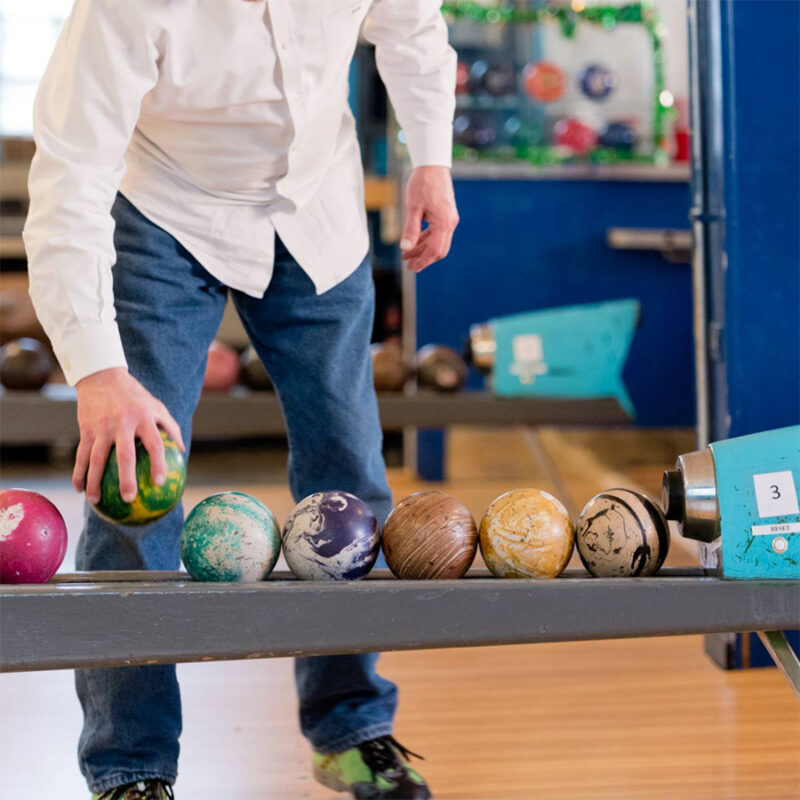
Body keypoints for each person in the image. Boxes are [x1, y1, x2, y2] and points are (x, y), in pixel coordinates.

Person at [23, 1, 458, 798]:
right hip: (165, 210)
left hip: (316, 207)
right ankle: (132, 763)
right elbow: (69, 175)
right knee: (134, 486)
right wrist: (96, 373)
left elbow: (414, 27)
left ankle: (350, 727)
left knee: (349, 478)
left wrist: (430, 156)